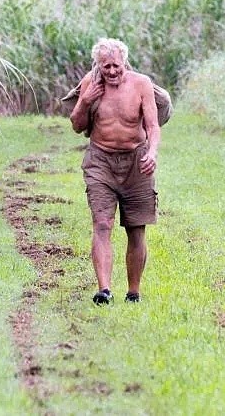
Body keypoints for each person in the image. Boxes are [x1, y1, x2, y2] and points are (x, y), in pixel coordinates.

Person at [70, 38, 160, 304]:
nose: (111, 71)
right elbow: (76, 125)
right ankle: (104, 290)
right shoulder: (90, 85)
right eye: (105, 66)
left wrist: (152, 153)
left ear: (125, 63)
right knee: (101, 224)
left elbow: (153, 126)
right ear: (98, 66)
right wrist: (85, 101)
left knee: (136, 228)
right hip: (100, 162)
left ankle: (133, 292)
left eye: (116, 66)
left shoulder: (141, 84)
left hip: (137, 161)